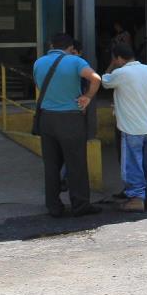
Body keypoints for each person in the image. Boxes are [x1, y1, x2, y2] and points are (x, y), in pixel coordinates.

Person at [33, 33, 102, 218]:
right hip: (70, 119)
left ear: (51, 44)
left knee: (51, 165)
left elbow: (40, 85)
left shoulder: (38, 63)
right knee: (76, 164)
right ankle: (80, 205)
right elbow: (96, 78)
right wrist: (87, 97)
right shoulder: (75, 62)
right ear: (71, 48)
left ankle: (53, 206)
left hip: (47, 119)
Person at [101, 43, 147, 212]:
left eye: (114, 59)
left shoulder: (120, 73)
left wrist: (111, 66)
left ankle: (136, 198)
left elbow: (104, 81)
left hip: (131, 128)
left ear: (118, 58)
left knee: (132, 164)